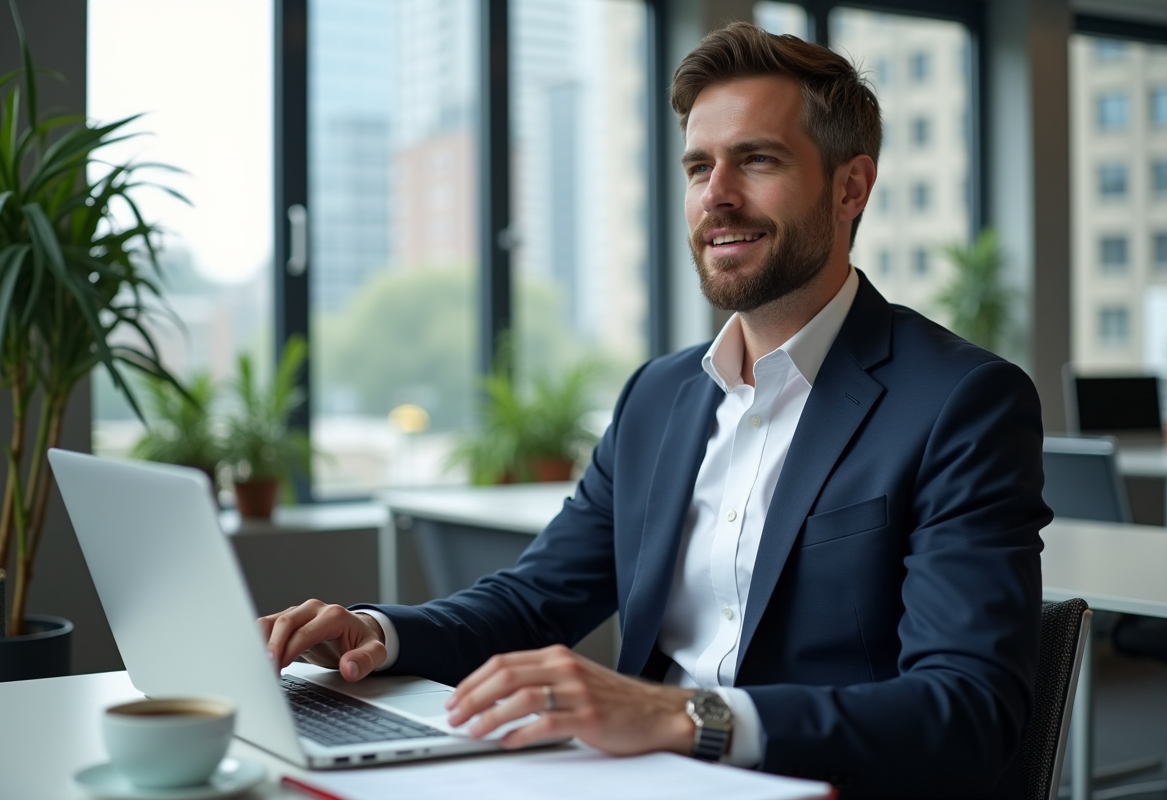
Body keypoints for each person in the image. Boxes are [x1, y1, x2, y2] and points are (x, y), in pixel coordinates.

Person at [260, 22, 1050, 799]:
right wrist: (376, 634)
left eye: (758, 160)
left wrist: (685, 716)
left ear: (851, 187)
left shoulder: (962, 402)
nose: (718, 196)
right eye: (699, 166)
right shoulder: (658, 397)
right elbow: (535, 600)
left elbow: (967, 714)